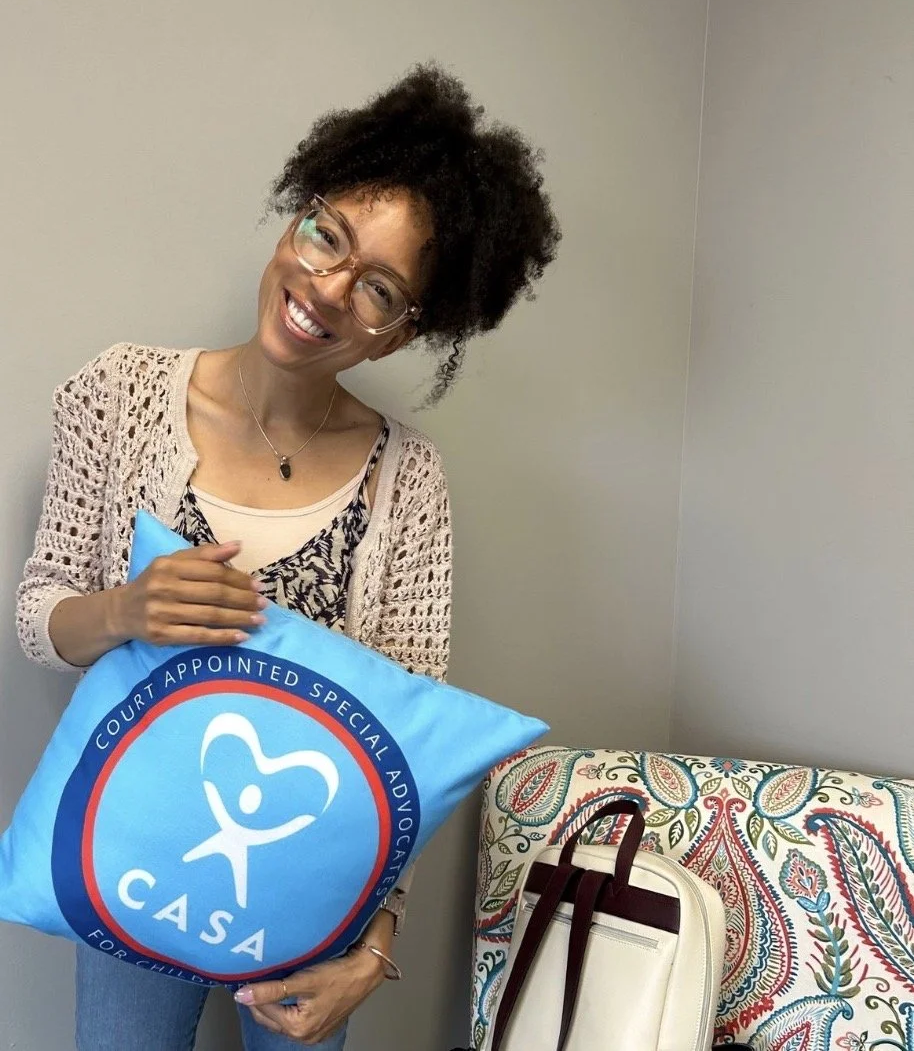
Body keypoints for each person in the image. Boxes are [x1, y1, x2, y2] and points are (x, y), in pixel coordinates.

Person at [16, 63, 560, 1050]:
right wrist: (126, 612)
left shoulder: (409, 483)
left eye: (378, 288)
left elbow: (404, 752)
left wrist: (374, 943)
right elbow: (40, 617)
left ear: (406, 331)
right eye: (325, 236)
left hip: (317, 908)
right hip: (131, 858)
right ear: (295, 214)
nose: (325, 289)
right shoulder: (117, 394)